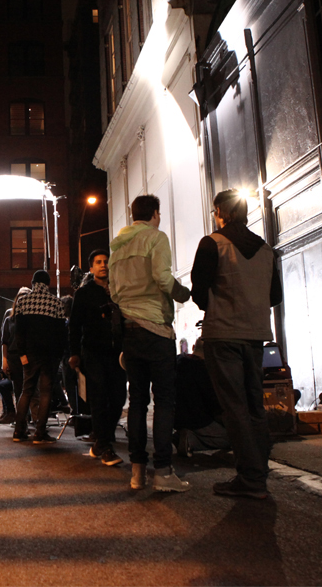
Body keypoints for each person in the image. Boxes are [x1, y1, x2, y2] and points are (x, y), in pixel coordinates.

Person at [191, 188, 283, 500]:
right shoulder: (266, 248)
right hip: (255, 335)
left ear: (220, 212)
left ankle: (251, 477)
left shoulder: (212, 243)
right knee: (255, 404)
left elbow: (198, 292)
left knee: (234, 406)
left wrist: (216, 306)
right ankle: (259, 472)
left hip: (223, 334)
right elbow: (275, 297)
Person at [109, 195, 192, 492]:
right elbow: (162, 277)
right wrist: (183, 293)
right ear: (155, 214)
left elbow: (115, 293)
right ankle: (164, 472)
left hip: (130, 332)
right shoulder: (156, 238)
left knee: (138, 402)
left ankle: (137, 472)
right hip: (156, 329)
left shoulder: (117, 247)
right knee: (165, 401)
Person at [69, 249, 125, 466]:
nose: (103, 265)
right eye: (99, 262)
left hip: (117, 354)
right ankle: (105, 444)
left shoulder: (118, 290)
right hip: (93, 352)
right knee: (99, 398)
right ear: (91, 268)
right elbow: (74, 326)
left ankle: (102, 440)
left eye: (106, 262)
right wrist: (74, 353)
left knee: (119, 397)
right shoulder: (84, 294)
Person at [12, 270, 67, 444]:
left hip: (29, 354)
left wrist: (22, 354)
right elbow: (61, 333)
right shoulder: (56, 303)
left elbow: (18, 332)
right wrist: (58, 355)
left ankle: (19, 431)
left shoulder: (22, 301)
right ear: (48, 283)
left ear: (33, 282)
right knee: (45, 393)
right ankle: (40, 433)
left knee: (26, 391)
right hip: (49, 355)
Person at [175, 340, 231, 455]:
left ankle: (181, 436)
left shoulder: (178, 361)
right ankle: (191, 440)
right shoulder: (205, 370)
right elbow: (214, 404)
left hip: (175, 418)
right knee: (234, 438)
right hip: (199, 420)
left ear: (194, 347)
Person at [0, 286, 31, 425]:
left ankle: (26, 416)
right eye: (20, 296)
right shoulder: (9, 318)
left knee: (27, 388)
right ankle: (20, 418)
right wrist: (4, 361)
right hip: (14, 356)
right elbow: (4, 341)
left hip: (28, 356)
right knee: (17, 388)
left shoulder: (31, 318)